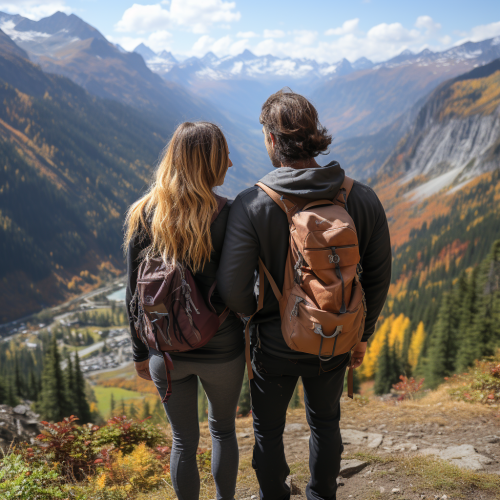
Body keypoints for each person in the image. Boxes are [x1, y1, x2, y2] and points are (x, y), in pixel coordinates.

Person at [217, 90, 392, 500]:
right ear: (314, 135)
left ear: (272, 141)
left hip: (275, 341)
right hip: (335, 336)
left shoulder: (253, 203)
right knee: (326, 423)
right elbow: (378, 277)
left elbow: (233, 286)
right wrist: (361, 333)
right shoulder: (360, 197)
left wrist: (259, 317)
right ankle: (320, 496)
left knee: (268, 429)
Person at [125, 121, 245, 500]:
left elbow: (132, 293)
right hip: (223, 347)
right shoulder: (230, 214)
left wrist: (140, 352)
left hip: (167, 352)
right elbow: (236, 289)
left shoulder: (144, 213)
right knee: (223, 430)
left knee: (182, 442)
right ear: (208, 162)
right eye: (224, 155)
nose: (230, 163)